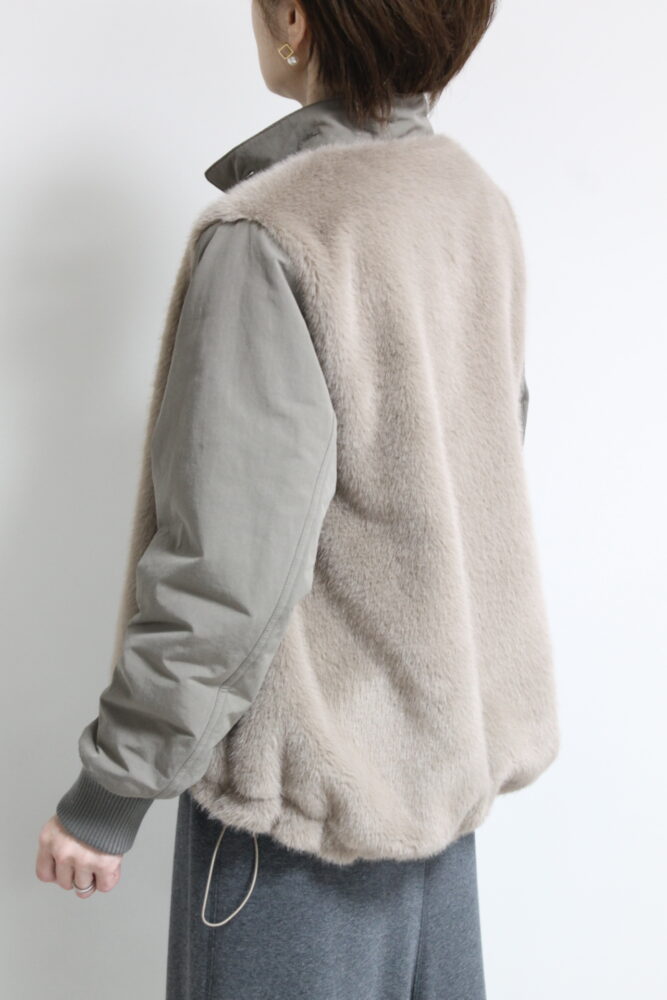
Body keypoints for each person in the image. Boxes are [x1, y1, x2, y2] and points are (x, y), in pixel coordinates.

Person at [35, 1, 560, 997]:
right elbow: (485, 468)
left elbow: (227, 563)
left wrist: (110, 793)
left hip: (301, 822)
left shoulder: (272, 234)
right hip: (435, 803)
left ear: (295, 19)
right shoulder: (470, 202)